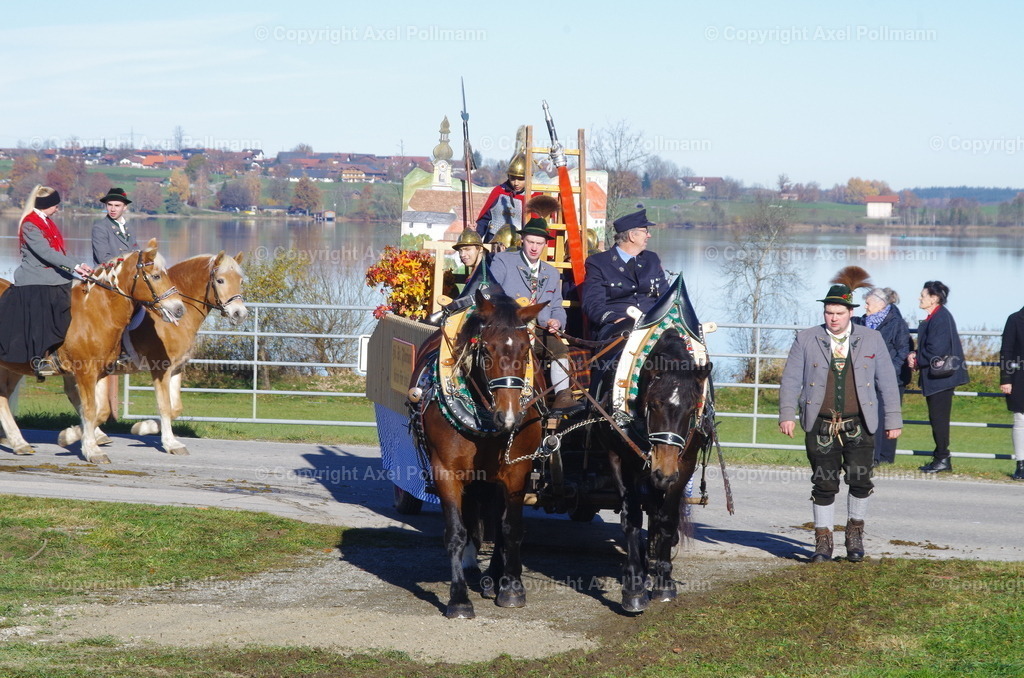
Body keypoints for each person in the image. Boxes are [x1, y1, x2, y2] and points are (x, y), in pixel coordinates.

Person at [779, 281, 902, 563]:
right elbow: (790, 380)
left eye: (839, 313)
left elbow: (887, 382)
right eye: (828, 312)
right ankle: (823, 542)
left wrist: (893, 418)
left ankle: (855, 536)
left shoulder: (871, 339)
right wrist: (787, 413)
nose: (833, 318)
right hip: (820, 424)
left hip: (859, 424)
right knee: (823, 483)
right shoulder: (806, 339)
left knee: (860, 479)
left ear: (850, 312)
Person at [0, 186, 93, 377]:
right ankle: (39, 358)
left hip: (54, 275)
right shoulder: (29, 225)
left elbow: (60, 250)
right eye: (56, 205)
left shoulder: (48, 222)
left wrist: (81, 265)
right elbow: (46, 253)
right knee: (43, 312)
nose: (58, 209)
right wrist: (73, 269)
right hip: (35, 278)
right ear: (46, 205)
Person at [489, 217, 576, 410]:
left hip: (539, 328)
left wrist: (557, 322)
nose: (534, 248)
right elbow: (492, 293)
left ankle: (563, 398)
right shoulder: (503, 261)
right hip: (508, 327)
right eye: (530, 242)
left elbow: (557, 306)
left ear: (545, 244)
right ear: (522, 241)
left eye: (539, 243)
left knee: (560, 349)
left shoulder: (552, 273)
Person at [908, 281, 969, 474]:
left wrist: (916, 358)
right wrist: (917, 354)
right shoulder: (937, 316)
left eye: (923, 295)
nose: (920, 298)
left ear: (934, 298)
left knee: (939, 419)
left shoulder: (940, 318)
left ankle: (942, 458)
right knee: (937, 419)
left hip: (942, 379)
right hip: (939, 378)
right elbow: (932, 346)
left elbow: (936, 349)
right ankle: (940, 457)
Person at [581, 209, 666, 341]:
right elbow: (592, 303)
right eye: (645, 231)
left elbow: (665, 296)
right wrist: (614, 318)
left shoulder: (652, 260)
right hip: (615, 328)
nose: (649, 235)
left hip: (652, 326)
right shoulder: (599, 263)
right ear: (632, 236)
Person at [854, 286, 913, 466]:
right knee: (874, 415)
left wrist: (888, 372)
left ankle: (884, 457)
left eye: (868, 303)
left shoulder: (896, 323)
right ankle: (876, 456)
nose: (865, 307)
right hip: (872, 377)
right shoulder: (865, 322)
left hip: (892, 378)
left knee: (888, 415)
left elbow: (903, 350)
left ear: (880, 304)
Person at [475, 152, 526, 242]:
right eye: (513, 178)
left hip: (517, 245)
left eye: (520, 179)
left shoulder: (532, 196)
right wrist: (476, 237)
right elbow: (484, 219)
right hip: (494, 241)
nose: (516, 183)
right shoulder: (498, 191)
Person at [999, 306, 1024, 480]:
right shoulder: (1015, 319)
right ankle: (1021, 464)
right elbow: (1006, 351)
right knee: (1020, 420)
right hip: (1020, 378)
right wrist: (1005, 378)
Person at [92, 187, 139, 264]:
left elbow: (136, 252)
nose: (113, 209)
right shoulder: (100, 228)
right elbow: (103, 259)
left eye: (117, 205)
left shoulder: (130, 227)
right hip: (107, 274)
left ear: (125, 207)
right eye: (110, 205)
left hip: (129, 274)